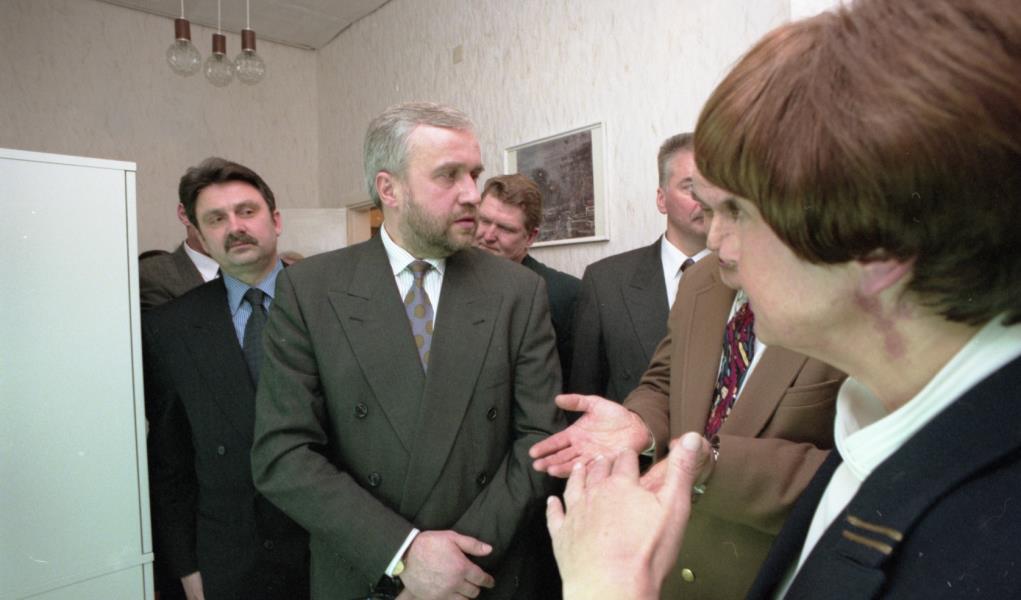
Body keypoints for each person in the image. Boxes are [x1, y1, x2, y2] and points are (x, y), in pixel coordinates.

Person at [548, 0, 1021, 598]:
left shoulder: (988, 546)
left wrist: (607, 586)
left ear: (876, 244)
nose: (715, 240)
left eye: (739, 211)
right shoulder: (875, 419)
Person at [250, 102, 565, 600]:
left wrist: (457, 562)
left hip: (484, 573)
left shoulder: (518, 292)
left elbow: (540, 439)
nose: (472, 194)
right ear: (389, 188)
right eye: (448, 175)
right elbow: (283, 454)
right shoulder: (310, 290)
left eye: (474, 174)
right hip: (365, 573)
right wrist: (402, 552)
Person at [532, 248, 842, 598]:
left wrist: (716, 466)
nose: (716, 240)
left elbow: (867, 468)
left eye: (738, 218)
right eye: (710, 218)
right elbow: (665, 380)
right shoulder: (700, 279)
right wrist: (641, 422)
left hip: (772, 576)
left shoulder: (850, 294)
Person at [144, 157, 309, 600]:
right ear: (199, 234)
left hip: (331, 550)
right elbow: (170, 462)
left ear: (276, 220)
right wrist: (187, 567)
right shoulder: (170, 327)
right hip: (231, 561)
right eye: (216, 219)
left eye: (246, 211)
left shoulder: (332, 304)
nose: (234, 227)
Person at [570, 133, 710, 401]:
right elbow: (585, 394)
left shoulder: (748, 278)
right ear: (661, 200)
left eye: (714, 187)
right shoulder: (606, 282)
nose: (706, 200)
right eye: (691, 187)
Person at [475, 173, 580, 390]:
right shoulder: (448, 277)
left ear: (530, 237)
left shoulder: (564, 294)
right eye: (483, 221)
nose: (488, 235)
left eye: (505, 228)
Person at [139, 198, 220, 310]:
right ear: (185, 214)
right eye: (217, 217)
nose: (233, 226)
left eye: (242, 213)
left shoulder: (244, 271)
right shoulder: (152, 274)